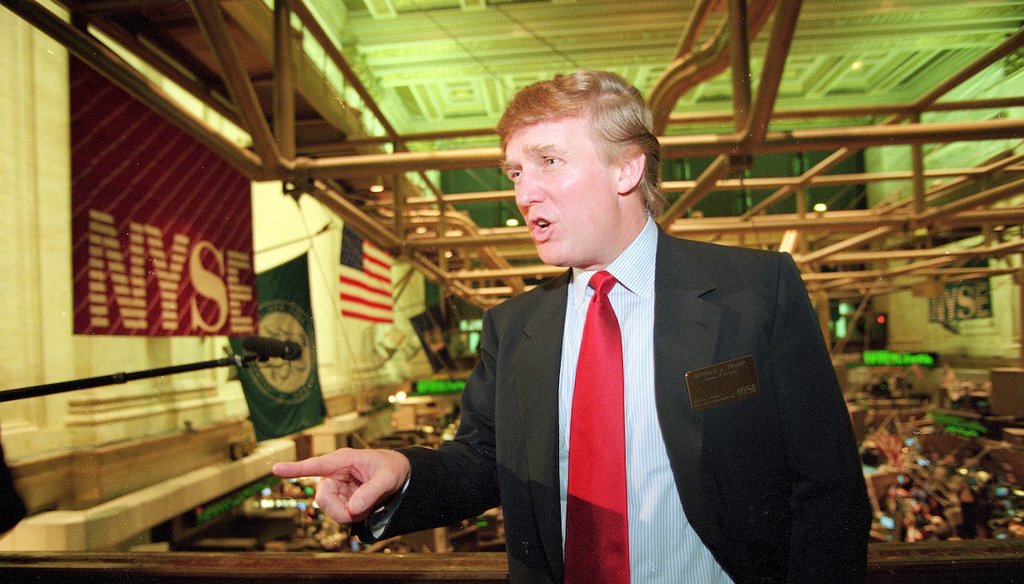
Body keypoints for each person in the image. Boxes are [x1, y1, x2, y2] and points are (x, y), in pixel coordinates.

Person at [274, 70, 872, 583]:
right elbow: (484, 461)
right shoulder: (514, 327)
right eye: (513, 173)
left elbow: (828, 489)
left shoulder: (753, 293)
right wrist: (403, 472)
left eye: (549, 163)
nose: (524, 193)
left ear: (626, 170)